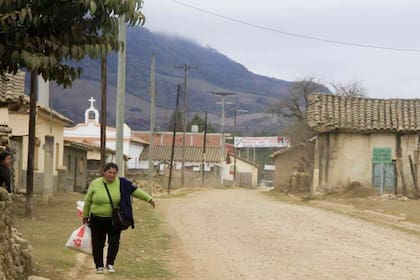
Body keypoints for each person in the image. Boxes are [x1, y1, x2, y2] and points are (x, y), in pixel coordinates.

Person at [82, 162, 155, 274]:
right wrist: (85, 216)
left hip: (114, 220)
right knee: (98, 243)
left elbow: (135, 191)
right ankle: (99, 266)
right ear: (104, 172)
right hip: (97, 219)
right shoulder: (95, 184)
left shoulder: (122, 183)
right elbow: (87, 201)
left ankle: (110, 264)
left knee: (114, 242)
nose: (111, 175)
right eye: (109, 172)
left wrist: (149, 199)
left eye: (114, 173)